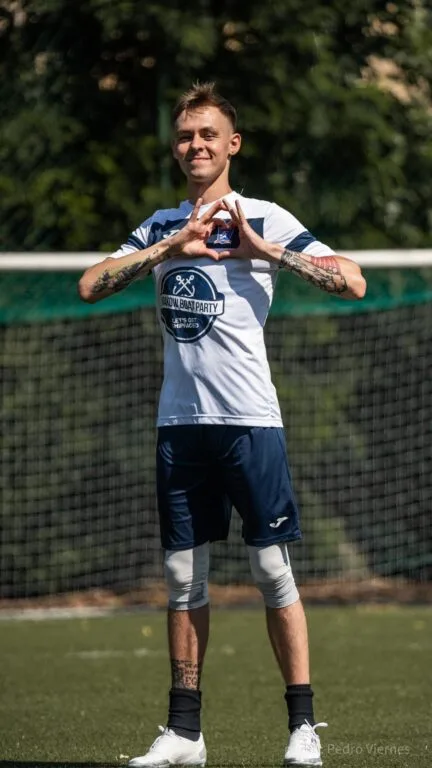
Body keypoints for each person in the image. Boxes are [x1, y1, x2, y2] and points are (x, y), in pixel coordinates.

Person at [78, 82, 366, 767]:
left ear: (232, 144)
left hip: (250, 423)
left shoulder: (265, 216)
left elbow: (351, 279)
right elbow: (91, 284)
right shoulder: (159, 224)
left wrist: (265, 254)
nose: (195, 146)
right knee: (182, 580)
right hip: (179, 425)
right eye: (185, 136)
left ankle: (302, 728)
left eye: (208, 135)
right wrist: (171, 246)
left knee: (272, 571)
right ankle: (184, 733)